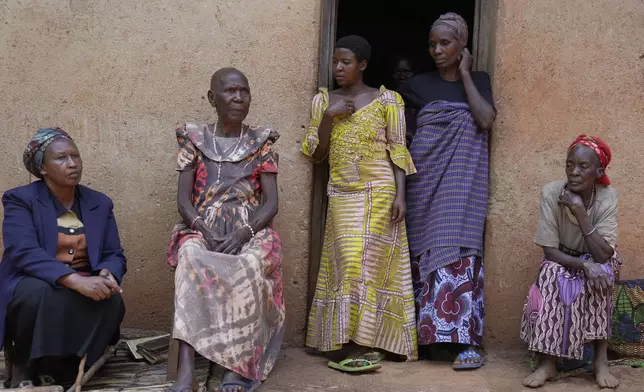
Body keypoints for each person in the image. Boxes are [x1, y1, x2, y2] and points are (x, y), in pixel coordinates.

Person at [302, 35, 418, 373]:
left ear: (362, 65)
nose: (338, 68)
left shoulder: (388, 100)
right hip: (342, 194)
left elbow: (397, 150)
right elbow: (316, 153)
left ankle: (364, 342)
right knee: (348, 262)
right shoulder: (323, 101)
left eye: (346, 62)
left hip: (380, 192)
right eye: (335, 62)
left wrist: (401, 195)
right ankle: (343, 339)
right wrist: (328, 117)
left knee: (368, 267)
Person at [166, 68, 284, 392]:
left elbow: (271, 205)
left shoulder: (262, 142)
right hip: (203, 224)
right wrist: (201, 228)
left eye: (243, 91)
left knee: (248, 264)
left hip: (250, 227)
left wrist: (245, 233)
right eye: (230, 91)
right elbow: (183, 200)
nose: (238, 98)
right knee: (190, 257)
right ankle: (186, 369)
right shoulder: (194, 138)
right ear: (212, 98)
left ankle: (236, 366)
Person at [399, 12, 496, 370]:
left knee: (460, 253)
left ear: (462, 46)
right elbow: (402, 137)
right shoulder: (416, 86)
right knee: (420, 255)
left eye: (445, 43)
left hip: (462, 185)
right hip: (423, 181)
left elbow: (485, 120)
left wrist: (467, 74)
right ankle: (424, 340)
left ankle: (464, 342)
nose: (437, 50)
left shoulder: (480, 80)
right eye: (432, 43)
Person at [0, 128, 126, 388]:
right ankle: (25, 365)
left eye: (75, 156)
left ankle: (68, 365)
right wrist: (73, 280)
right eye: (61, 158)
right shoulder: (21, 199)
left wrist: (107, 273)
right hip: (32, 280)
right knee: (38, 294)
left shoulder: (99, 202)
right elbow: (22, 251)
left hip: (82, 279)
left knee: (112, 301)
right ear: (42, 168)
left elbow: (113, 253)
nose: (72, 164)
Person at [521, 135, 620, 389]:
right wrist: (582, 265)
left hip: (596, 255)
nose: (574, 172)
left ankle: (600, 360)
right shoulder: (551, 192)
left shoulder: (608, 197)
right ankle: (548, 362)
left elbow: (604, 254)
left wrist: (580, 212)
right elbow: (550, 251)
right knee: (552, 273)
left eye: (583, 167)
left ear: (599, 171)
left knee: (605, 269)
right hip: (563, 258)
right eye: (569, 165)